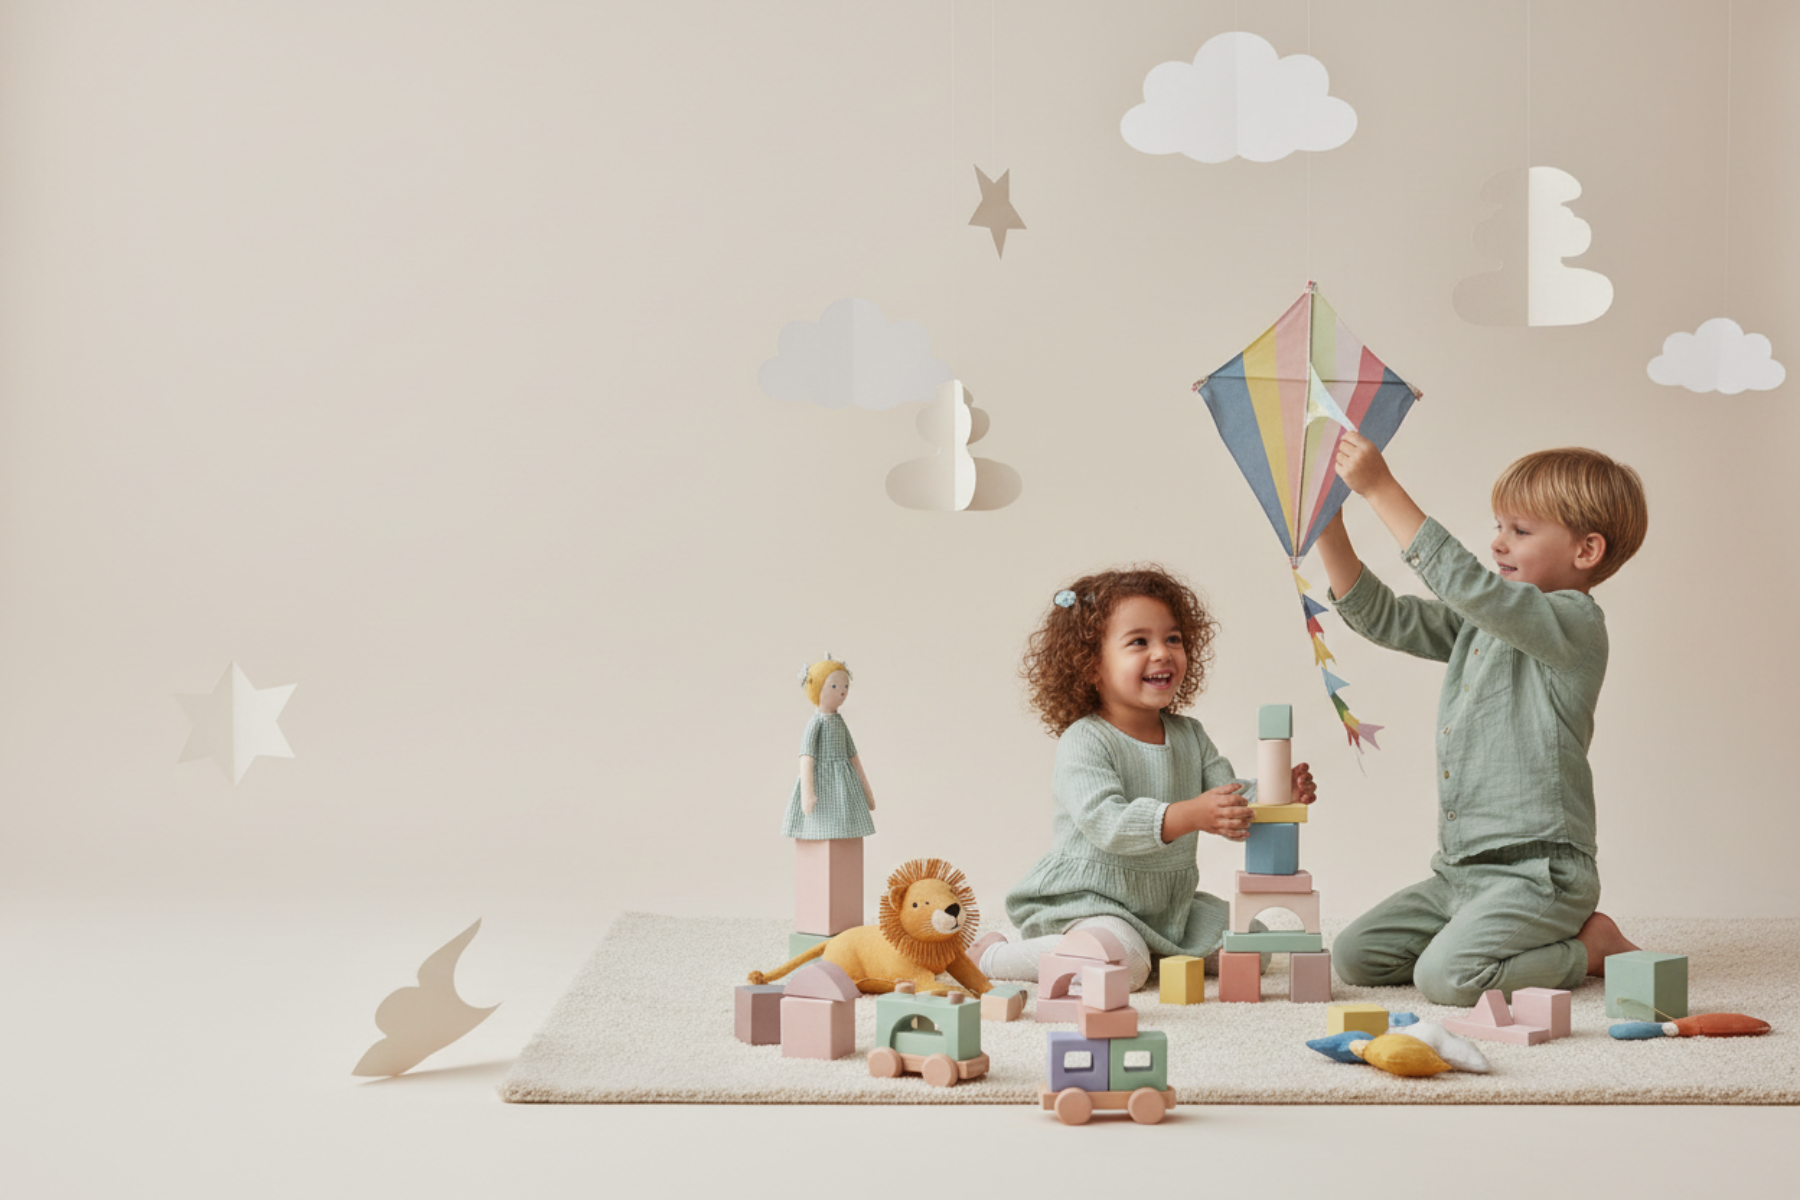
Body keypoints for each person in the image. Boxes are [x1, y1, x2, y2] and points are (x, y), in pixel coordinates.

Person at [1316, 433, 1648, 1005]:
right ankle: (1487, 933)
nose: (1497, 543)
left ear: (1586, 551)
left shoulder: (1576, 623)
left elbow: (1472, 590)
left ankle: (1587, 948)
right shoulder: (1484, 623)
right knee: (1355, 956)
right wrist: (1326, 523)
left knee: (1445, 980)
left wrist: (1381, 489)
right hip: (1460, 871)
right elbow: (1384, 618)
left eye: (1519, 531)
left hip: (1541, 871)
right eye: (1498, 526)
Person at [975, 567, 1317, 991]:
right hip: (1088, 899)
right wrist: (1193, 813)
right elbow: (1108, 823)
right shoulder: (1085, 740)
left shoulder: (1189, 734)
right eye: (1139, 642)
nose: (1162, 652)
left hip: (1166, 905)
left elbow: (1226, 797)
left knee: (1255, 946)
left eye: (1172, 638)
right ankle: (993, 956)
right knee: (1126, 967)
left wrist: (1276, 792)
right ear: (1091, 666)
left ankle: (1134, 945)